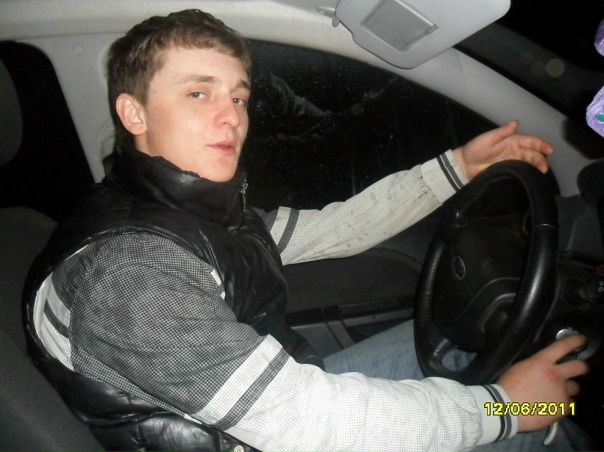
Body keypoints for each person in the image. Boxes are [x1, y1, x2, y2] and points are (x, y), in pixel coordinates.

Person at [23, 9, 591, 452]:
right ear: (135, 114)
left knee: (460, 346)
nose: (232, 117)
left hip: (266, 412)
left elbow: (337, 228)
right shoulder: (130, 273)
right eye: (199, 93)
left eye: (238, 96)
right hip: (266, 435)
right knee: (532, 423)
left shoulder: (186, 210)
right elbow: (312, 424)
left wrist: (458, 168)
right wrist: (506, 409)